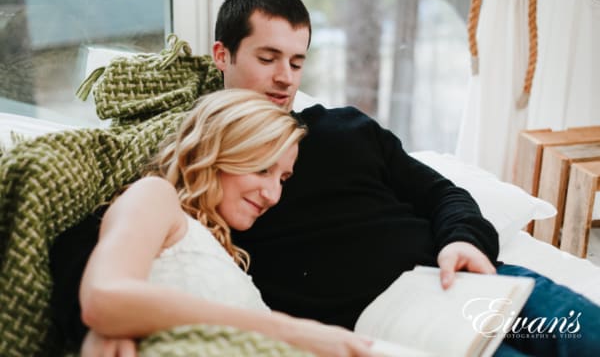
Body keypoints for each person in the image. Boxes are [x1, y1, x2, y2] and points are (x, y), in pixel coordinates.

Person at [52, 0, 600, 356]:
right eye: (267, 59)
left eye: (297, 61)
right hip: (382, 326)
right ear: (223, 56)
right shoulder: (209, 162)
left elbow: (443, 194)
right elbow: (100, 239)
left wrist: (461, 240)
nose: (285, 78)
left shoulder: (345, 128)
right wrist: (100, 324)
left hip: (458, 280)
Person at [77, 88, 381, 357]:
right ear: (216, 151)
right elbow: (103, 297)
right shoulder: (155, 195)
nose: (273, 195)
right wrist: (293, 331)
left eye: (283, 179)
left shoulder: (230, 256)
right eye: (262, 169)